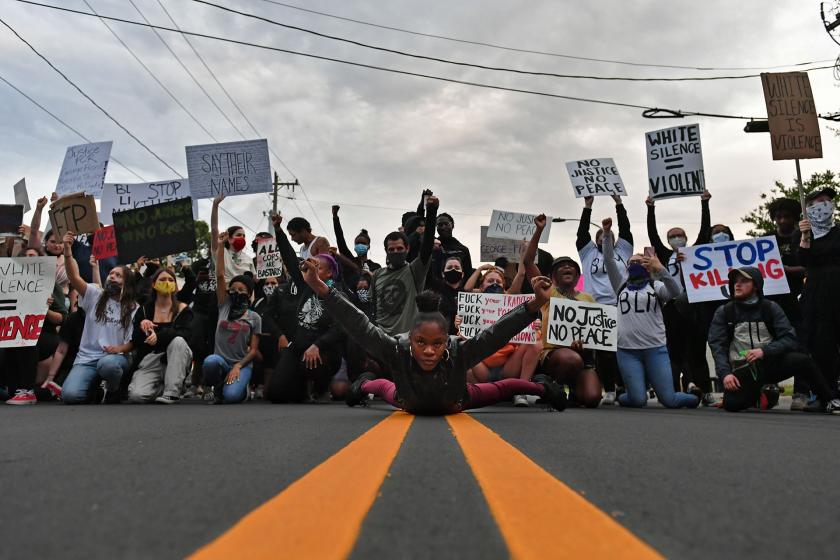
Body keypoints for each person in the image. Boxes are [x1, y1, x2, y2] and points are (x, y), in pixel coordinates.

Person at [298, 258, 567, 414]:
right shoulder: (397, 349)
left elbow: (497, 333)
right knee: (377, 385)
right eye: (421, 344)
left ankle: (543, 386)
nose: (428, 351)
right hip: (407, 399)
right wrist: (320, 287)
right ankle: (362, 383)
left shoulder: (459, 351)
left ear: (446, 343)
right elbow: (358, 324)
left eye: (437, 344)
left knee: (504, 388)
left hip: (458, 399)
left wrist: (534, 304)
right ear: (410, 340)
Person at [708, 266, 839, 414]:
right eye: (735, 282)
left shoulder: (771, 308)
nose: (737, 285)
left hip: (769, 363)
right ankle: (761, 393)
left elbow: (790, 338)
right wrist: (725, 374)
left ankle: (828, 400)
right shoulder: (724, 311)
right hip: (743, 369)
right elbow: (717, 346)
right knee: (732, 405)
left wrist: (764, 351)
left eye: (744, 281)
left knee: (803, 360)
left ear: (756, 285)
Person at [602, 219, 698, 408]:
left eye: (641, 261)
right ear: (627, 267)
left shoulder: (655, 285)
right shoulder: (620, 285)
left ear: (648, 266)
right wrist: (606, 235)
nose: (636, 263)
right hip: (627, 351)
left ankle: (695, 397)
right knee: (638, 400)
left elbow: (676, 292)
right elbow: (608, 260)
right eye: (632, 262)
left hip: (655, 349)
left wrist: (660, 269)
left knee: (669, 400)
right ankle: (625, 395)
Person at [522, 216, 603, 408]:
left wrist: (587, 345)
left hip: (582, 357)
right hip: (555, 355)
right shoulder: (548, 292)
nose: (567, 267)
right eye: (561, 266)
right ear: (552, 276)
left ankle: (574, 389)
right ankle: (551, 384)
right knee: (569, 359)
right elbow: (527, 262)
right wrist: (539, 231)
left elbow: (597, 332)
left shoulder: (588, 299)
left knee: (591, 398)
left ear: (577, 276)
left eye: (572, 266)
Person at [267, 215, 346, 403]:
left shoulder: (338, 294)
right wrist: (278, 230)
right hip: (299, 346)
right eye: (309, 266)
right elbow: (289, 258)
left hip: (325, 350)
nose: (310, 269)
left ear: (329, 273)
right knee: (276, 394)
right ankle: (300, 389)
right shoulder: (305, 286)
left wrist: (317, 345)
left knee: (312, 365)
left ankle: (321, 387)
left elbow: (340, 328)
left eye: (316, 267)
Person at [60, 232, 138, 404]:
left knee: (108, 365)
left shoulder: (133, 307)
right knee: (70, 396)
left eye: (118, 275)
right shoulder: (95, 294)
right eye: (111, 274)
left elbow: (134, 341)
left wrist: (119, 349)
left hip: (115, 358)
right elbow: (74, 276)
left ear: (127, 283)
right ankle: (95, 388)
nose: (112, 277)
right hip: (87, 359)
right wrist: (67, 249)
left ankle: (113, 389)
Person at [576, 194, 633, 405]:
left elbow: (626, 228)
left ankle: (624, 385)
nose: (603, 237)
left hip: (620, 306)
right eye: (599, 235)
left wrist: (618, 202)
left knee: (623, 347)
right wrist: (587, 206)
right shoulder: (588, 253)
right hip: (595, 307)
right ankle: (609, 388)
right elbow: (581, 233)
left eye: (607, 235)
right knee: (603, 351)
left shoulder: (623, 250)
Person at [202, 232, 262, 404]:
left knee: (233, 397)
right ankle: (218, 386)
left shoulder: (254, 317)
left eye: (241, 290)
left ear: (249, 294)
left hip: (241, 364)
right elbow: (220, 276)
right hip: (220, 360)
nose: (236, 293)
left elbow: (253, 350)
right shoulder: (224, 305)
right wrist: (221, 246)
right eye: (233, 289)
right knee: (210, 362)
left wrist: (238, 366)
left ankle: (243, 388)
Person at [371, 195, 439, 336]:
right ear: (386, 252)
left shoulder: (414, 271)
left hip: (405, 341)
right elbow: (372, 307)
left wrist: (431, 212)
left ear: (407, 249)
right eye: (391, 250)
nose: (396, 252)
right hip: (380, 340)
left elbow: (426, 248)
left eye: (400, 249)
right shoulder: (377, 274)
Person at [127, 268, 194, 404]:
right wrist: (142, 327)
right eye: (162, 280)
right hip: (151, 360)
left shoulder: (183, 309)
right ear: (153, 284)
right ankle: (165, 387)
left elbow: (185, 334)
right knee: (137, 396)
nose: (167, 282)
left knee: (178, 341)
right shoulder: (145, 310)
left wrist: (159, 336)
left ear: (175, 285)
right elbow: (136, 340)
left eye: (170, 280)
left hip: (176, 358)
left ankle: (172, 392)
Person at [798, 187, 840, 404]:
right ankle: (827, 394)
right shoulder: (807, 236)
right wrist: (805, 237)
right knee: (822, 346)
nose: (822, 205)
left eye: (826, 201)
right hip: (817, 298)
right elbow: (803, 261)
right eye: (816, 203)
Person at [766, 197, 808, 409]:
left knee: (801, 344)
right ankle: (768, 388)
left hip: (797, 300)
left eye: (787, 217)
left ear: (795, 218)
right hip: (771, 303)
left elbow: (809, 266)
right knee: (769, 345)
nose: (782, 220)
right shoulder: (766, 240)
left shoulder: (803, 238)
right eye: (779, 217)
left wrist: (786, 271)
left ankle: (800, 392)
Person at [211, 194, 256, 282]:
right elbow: (214, 229)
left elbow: (255, 281)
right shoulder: (221, 252)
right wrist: (215, 205)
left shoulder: (249, 259)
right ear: (229, 239)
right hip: (225, 293)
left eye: (244, 236)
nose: (242, 238)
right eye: (239, 235)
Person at [332, 205, 381, 272]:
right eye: (357, 243)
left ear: (368, 246)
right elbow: (340, 238)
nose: (360, 245)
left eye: (363, 243)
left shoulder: (376, 267)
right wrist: (335, 217)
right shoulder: (349, 260)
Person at [436, 211, 473, 276]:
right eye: (440, 225)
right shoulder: (431, 247)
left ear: (452, 225)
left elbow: (468, 275)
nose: (443, 227)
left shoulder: (463, 250)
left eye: (446, 224)